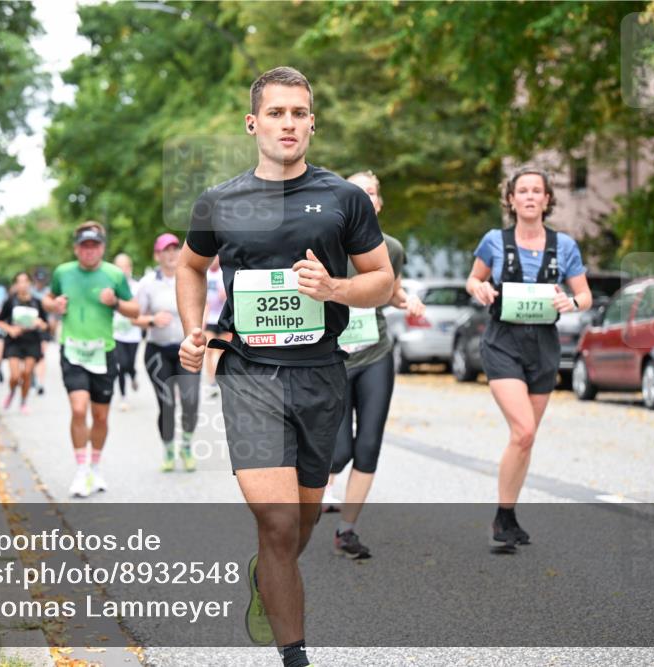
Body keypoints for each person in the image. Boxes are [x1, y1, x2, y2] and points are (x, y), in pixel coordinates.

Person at [176, 67, 393, 667]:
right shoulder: (220, 200)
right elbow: (190, 266)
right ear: (254, 124)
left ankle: (266, 576)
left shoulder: (344, 199)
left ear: (312, 123)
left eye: (299, 113)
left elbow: (381, 280)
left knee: (299, 525)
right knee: (276, 522)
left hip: (321, 373)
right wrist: (194, 329)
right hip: (250, 373)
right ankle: (295, 656)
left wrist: (334, 288)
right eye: (276, 113)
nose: (288, 123)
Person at [465, 165, 590, 550]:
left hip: (544, 345)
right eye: (523, 190)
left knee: (525, 439)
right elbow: (473, 279)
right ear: (511, 199)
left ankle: (509, 514)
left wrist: (570, 303)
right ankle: (502, 519)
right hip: (503, 342)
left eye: (537, 190)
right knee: (524, 431)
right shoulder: (494, 241)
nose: (531, 196)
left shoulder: (564, 246)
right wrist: (480, 289)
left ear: (547, 199)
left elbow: (584, 296)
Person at [323, 171, 425, 559]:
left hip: (375, 352)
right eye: (356, 192)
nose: (365, 197)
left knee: (368, 445)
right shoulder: (324, 243)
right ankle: (304, 500)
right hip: (332, 358)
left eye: (371, 193)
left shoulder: (391, 248)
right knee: (338, 452)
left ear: (378, 204)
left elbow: (391, 291)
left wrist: (408, 301)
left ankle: (346, 530)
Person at [43, 222, 139, 498]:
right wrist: (54, 305)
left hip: (103, 351)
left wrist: (115, 303)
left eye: (94, 246)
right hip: (72, 349)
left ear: (102, 248)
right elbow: (48, 299)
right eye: (84, 246)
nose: (89, 251)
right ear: (76, 249)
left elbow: (135, 310)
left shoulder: (114, 275)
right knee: (78, 409)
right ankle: (81, 470)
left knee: (100, 416)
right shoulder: (63, 272)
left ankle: (95, 467)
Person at [132, 234, 199, 472]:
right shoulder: (147, 283)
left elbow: (203, 307)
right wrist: (152, 320)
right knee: (167, 403)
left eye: (174, 249)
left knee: (191, 401)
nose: (171, 254)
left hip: (187, 350)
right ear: (156, 255)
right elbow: (134, 317)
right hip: (158, 352)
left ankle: (186, 446)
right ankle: (169, 450)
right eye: (165, 250)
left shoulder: (190, 276)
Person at [0, 272, 48, 414]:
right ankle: (12, 391)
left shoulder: (37, 302)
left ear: (30, 283)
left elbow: (46, 325)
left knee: (27, 373)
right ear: (16, 284)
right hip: (14, 342)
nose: (22, 285)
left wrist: (40, 323)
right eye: (19, 282)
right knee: (15, 376)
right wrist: (10, 329)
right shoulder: (10, 301)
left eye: (25, 281)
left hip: (32, 341)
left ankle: (23, 401)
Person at [111, 253, 142, 411]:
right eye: (119, 267)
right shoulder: (111, 288)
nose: (122, 270)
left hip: (133, 334)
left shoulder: (137, 287)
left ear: (130, 268)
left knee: (130, 364)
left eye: (125, 266)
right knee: (121, 365)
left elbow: (141, 308)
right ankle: (123, 397)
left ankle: (133, 374)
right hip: (116, 333)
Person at [203, 256, 230, 397]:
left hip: (223, 318)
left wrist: (225, 294)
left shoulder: (224, 273)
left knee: (220, 352)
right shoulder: (204, 274)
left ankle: (220, 379)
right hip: (210, 319)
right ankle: (212, 381)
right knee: (209, 351)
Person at [30, 269, 52, 395]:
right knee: (32, 356)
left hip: (43, 326)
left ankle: (40, 383)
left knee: (42, 355)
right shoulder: (29, 292)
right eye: (38, 280)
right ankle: (32, 375)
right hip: (30, 328)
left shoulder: (49, 292)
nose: (40, 283)